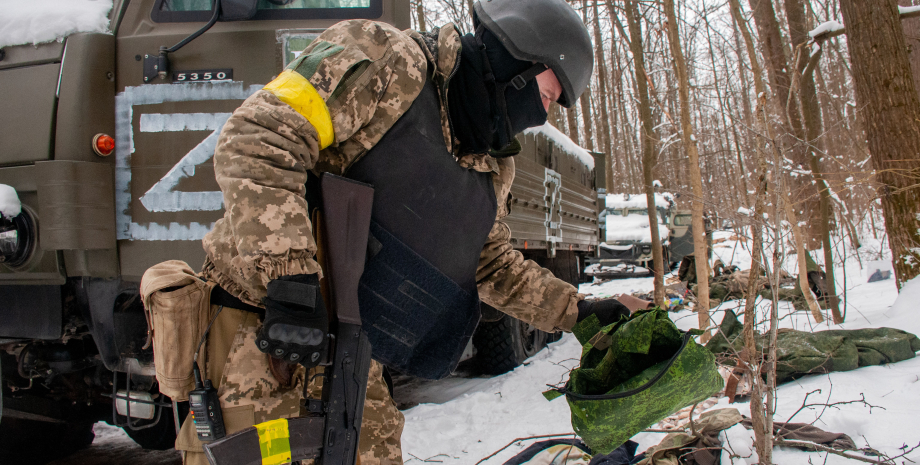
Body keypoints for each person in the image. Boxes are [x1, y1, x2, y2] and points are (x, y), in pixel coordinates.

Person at [176, 0, 631, 463]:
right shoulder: (384, 57)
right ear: (514, 61)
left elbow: (487, 263)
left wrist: (579, 311)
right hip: (262, 332)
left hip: (353, 350)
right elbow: (260, 137)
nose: (542, 115)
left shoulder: (489, 164)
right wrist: (291, 282)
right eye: (547, 96)